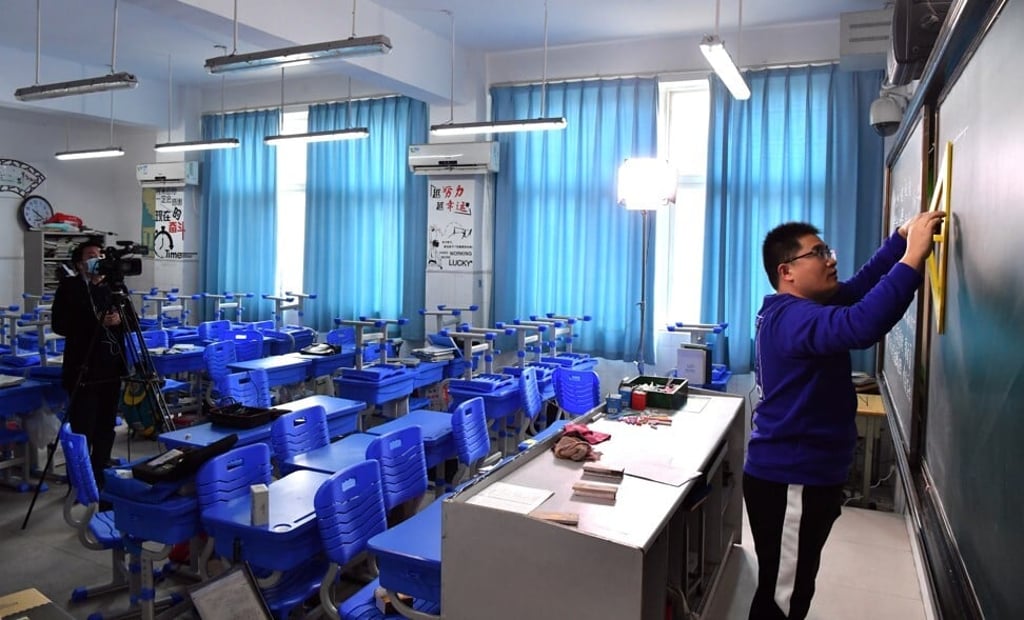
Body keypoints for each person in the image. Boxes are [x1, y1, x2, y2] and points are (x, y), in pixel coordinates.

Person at [745, 210, 944, 620]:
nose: (830, 259)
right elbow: (861, 324)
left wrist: (898, 242)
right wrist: (912, 258)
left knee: (792, 587)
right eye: (817, 253)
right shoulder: (793, 317)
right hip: (791, 479)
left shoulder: (797, 307)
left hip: (802, 475)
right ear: (788, 272)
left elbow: (855, 292)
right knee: (782, 599)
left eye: (826, 250)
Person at [52, 240, 125, 487]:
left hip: (111, 368)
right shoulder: (70, 287)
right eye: (92, 255)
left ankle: (100, 471)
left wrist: (119, 320)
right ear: (80, 263)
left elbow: (133, 324)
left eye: (100, 254)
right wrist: (96, 321)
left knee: (106, 425)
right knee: (85, 427)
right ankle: (81, 479)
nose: (98, 258)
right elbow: (59, 325)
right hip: (82, 368)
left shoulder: (112, 287)